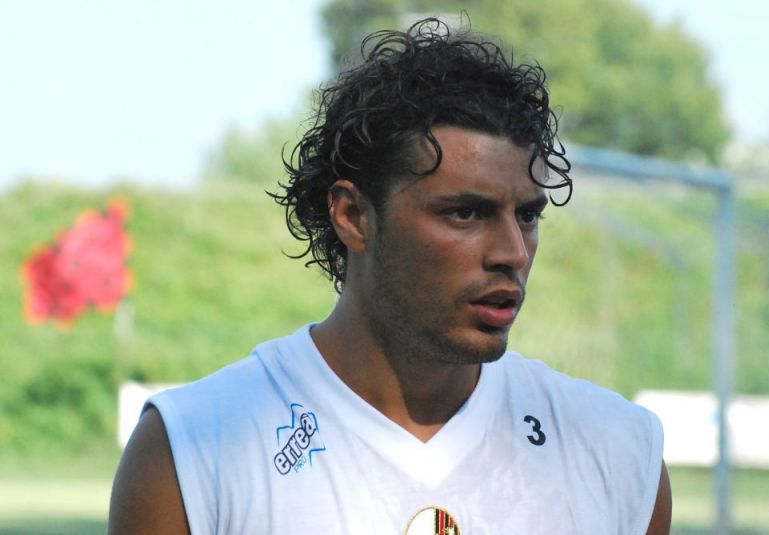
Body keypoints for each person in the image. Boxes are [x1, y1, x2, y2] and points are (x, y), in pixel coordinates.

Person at [108, 17, 671, 534]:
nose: (513, 252)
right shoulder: (191, 452)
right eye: (465, 213)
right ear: (353, 215)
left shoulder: (619, 452)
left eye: (527, 215)